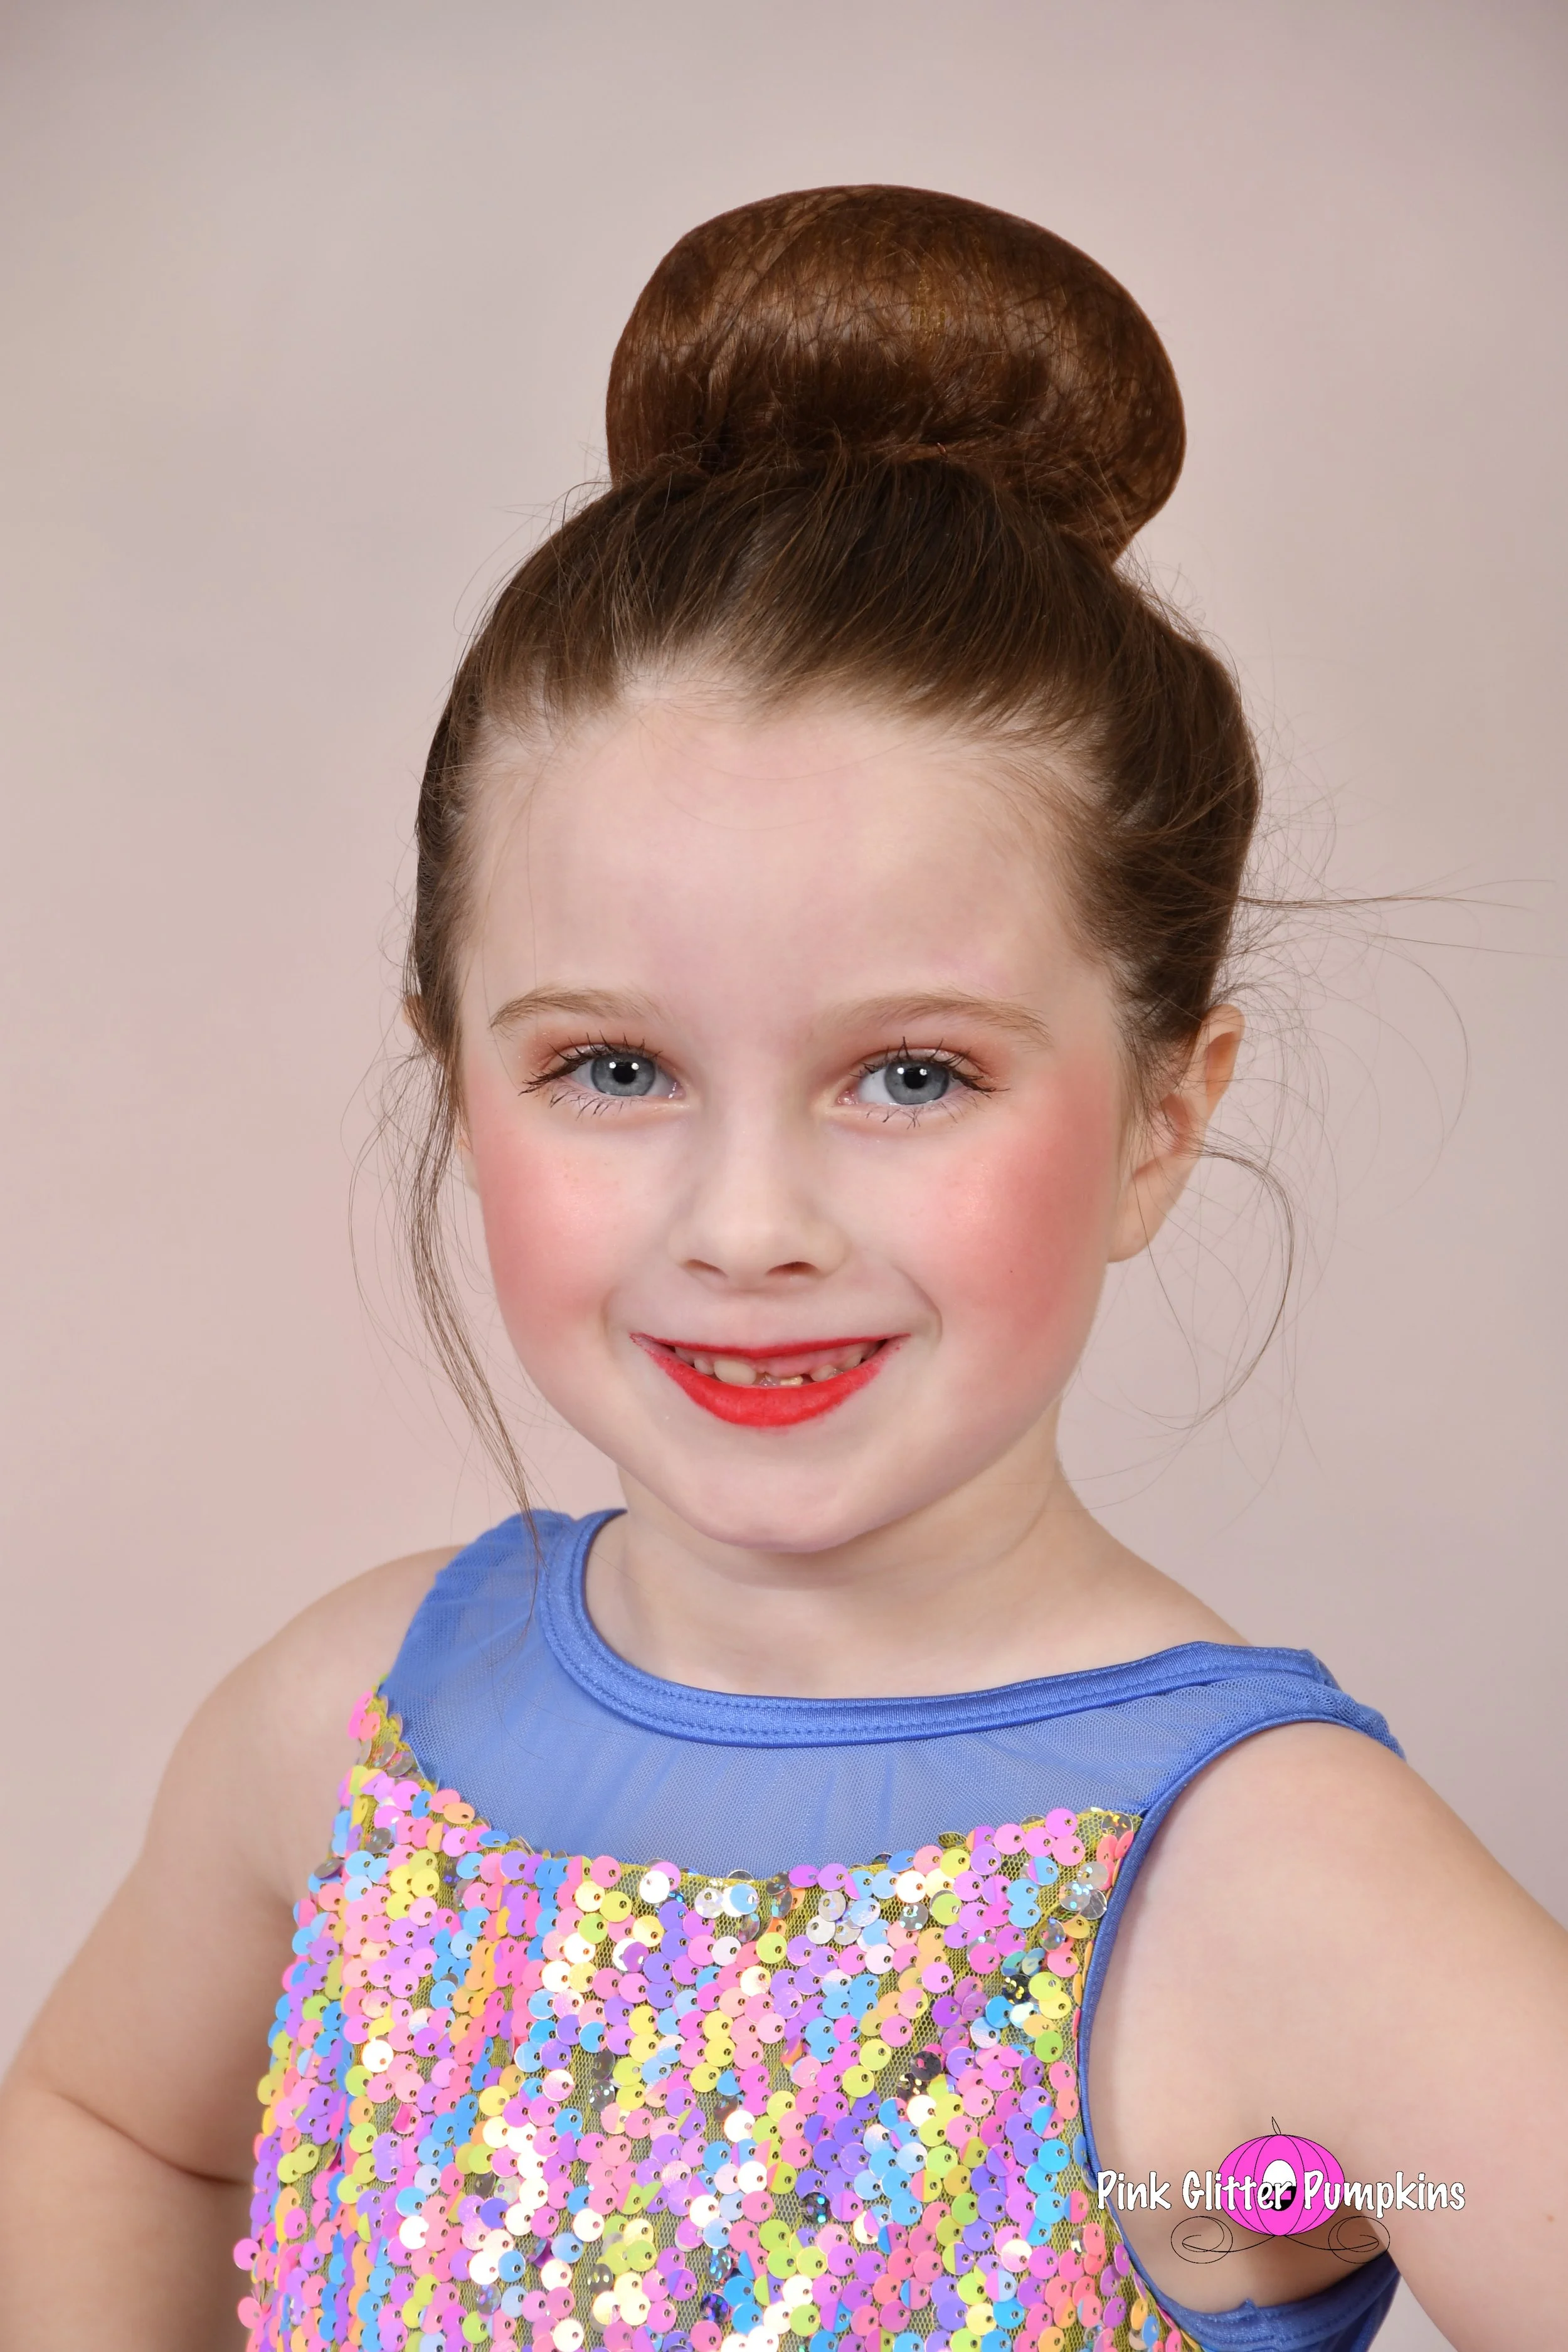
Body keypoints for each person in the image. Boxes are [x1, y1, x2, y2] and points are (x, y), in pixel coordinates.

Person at [0, 185, 1560, 2352]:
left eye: (910, 1074)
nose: (747, 1224)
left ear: (1159, 1115)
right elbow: (110, 2121)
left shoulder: (1280, 1887)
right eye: (614, 1065)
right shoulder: (354, 1721)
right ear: (456, 1078)